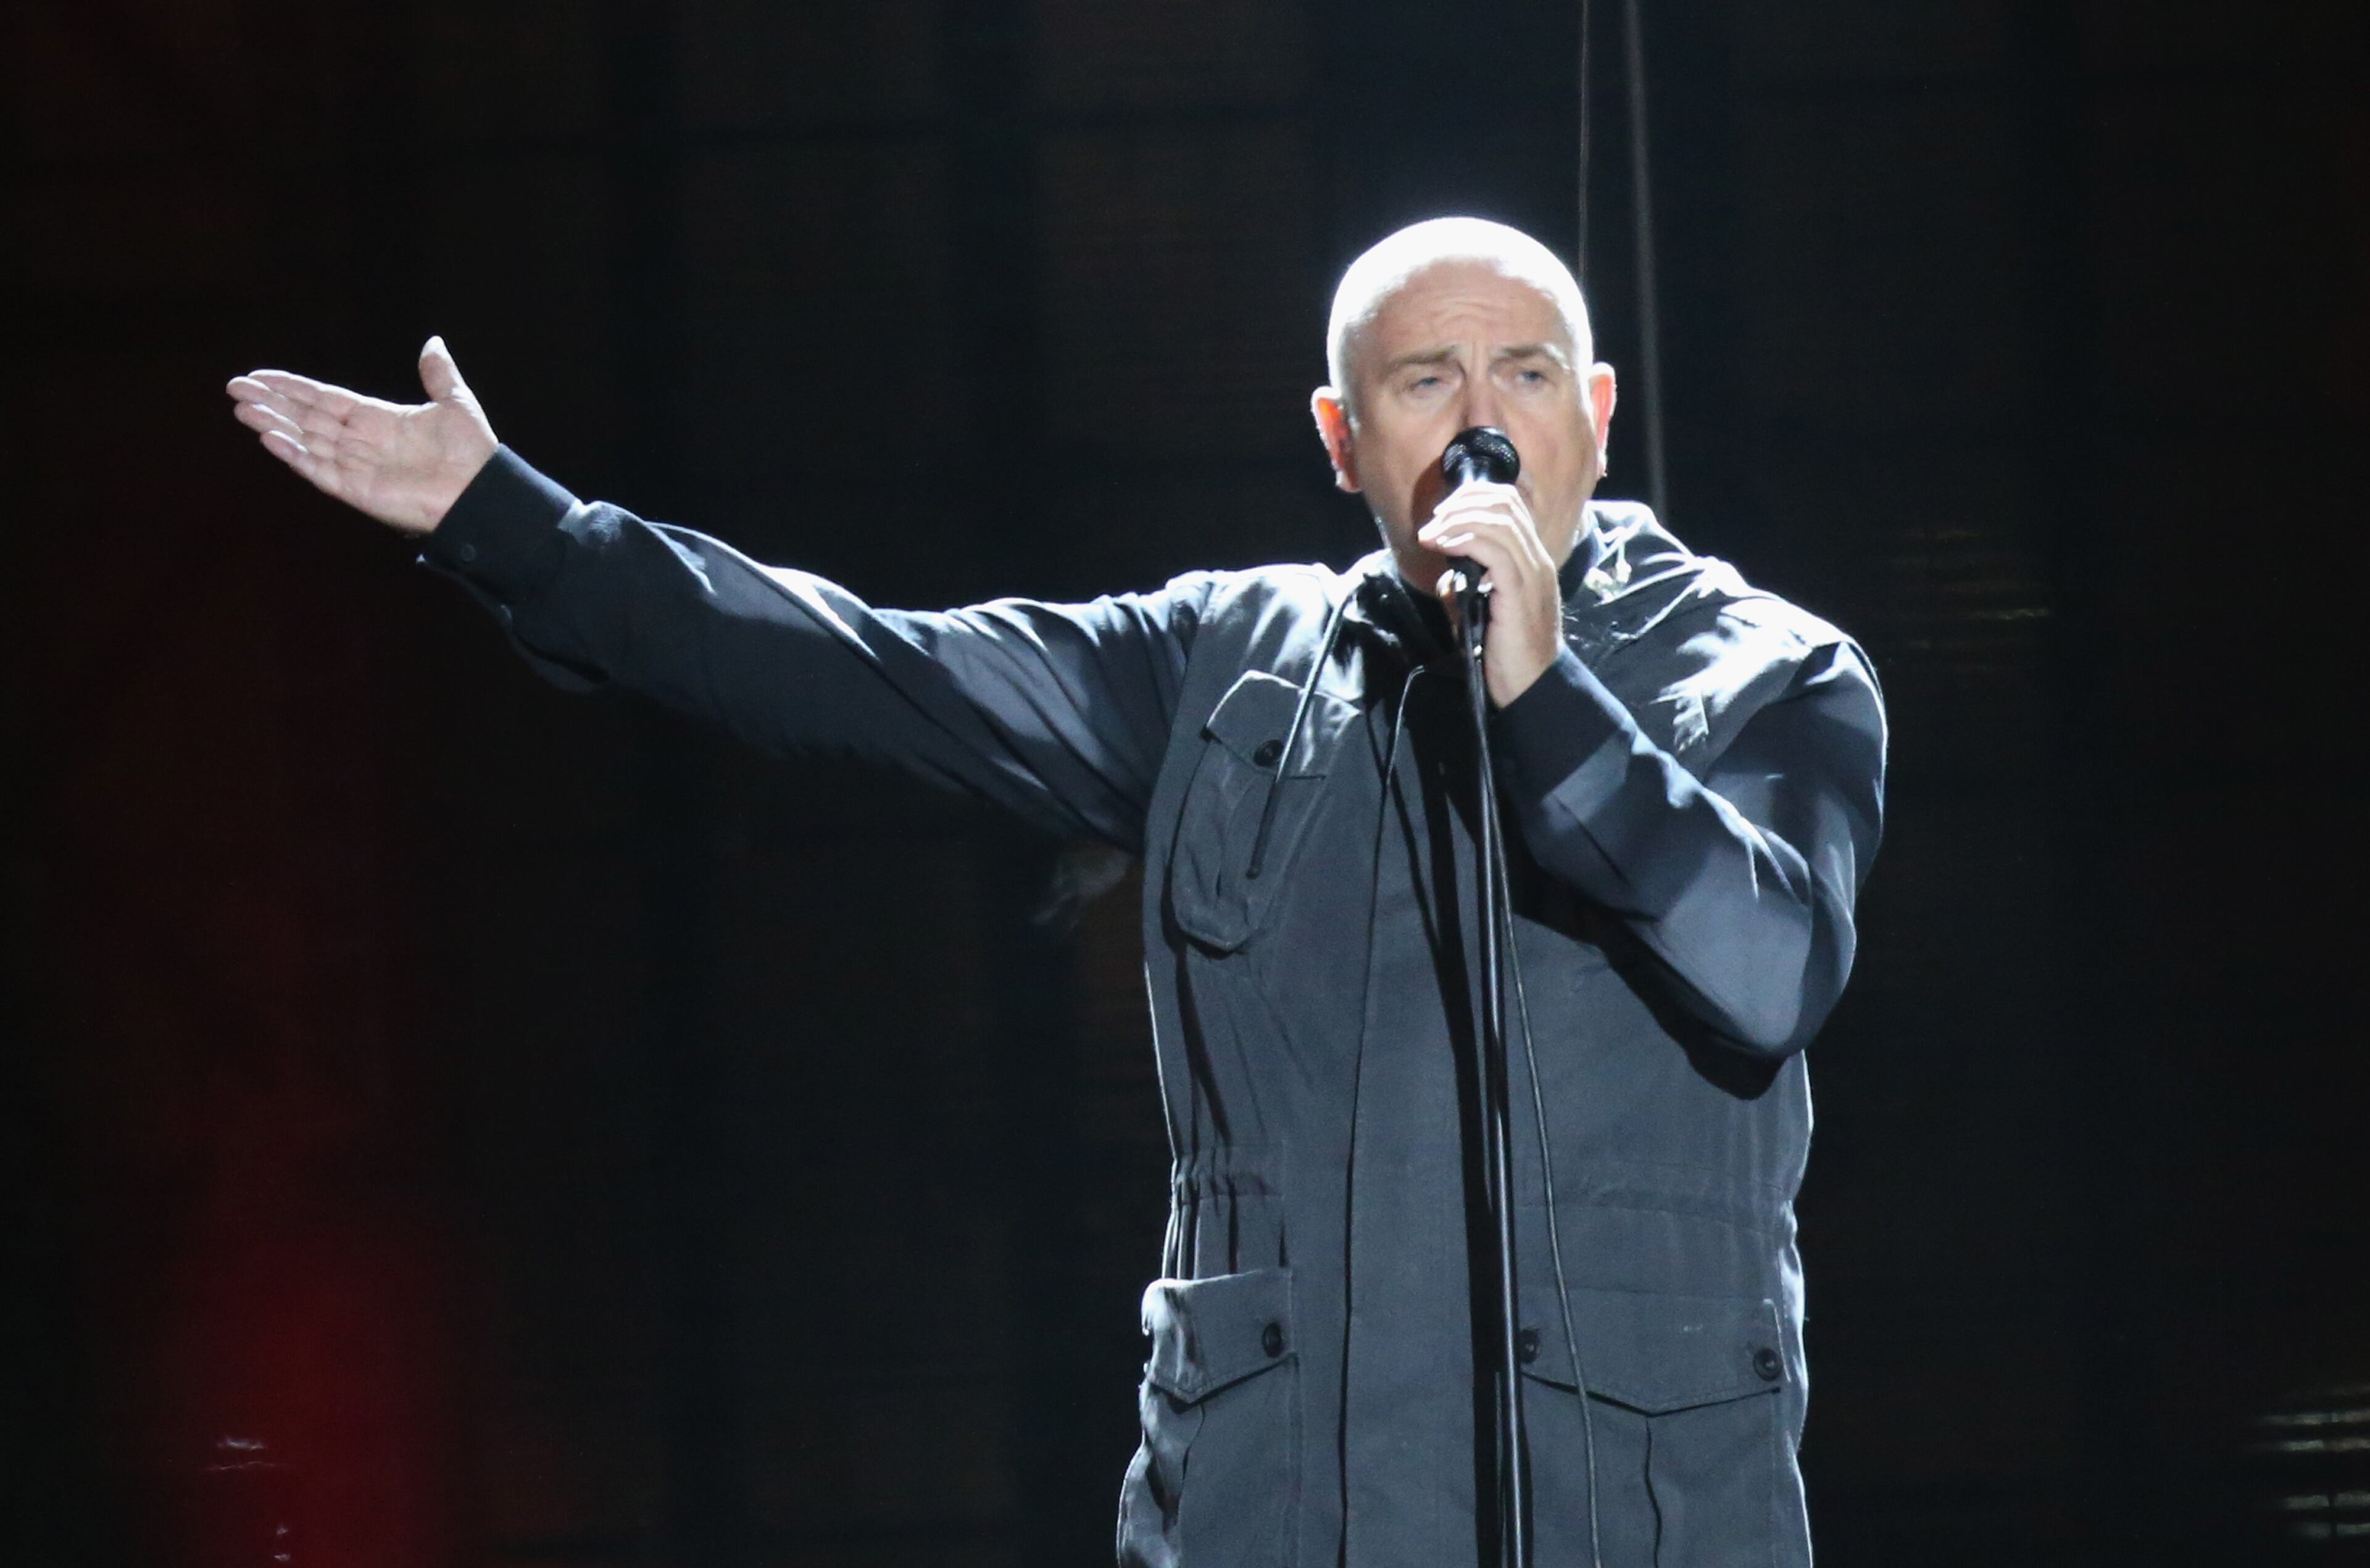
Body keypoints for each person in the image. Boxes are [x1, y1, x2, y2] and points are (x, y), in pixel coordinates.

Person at [227, 216, 1886, 1568]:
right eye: (1424, 377)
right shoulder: (1221, 674)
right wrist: (516, 526)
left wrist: (1542, 694)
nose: (1480, 420)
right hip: (1273, 1527)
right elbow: (865, 669)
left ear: (1596, 410)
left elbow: (1765, 970)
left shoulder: (1770, 678)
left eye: (1524, 373)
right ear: (1340, 438)